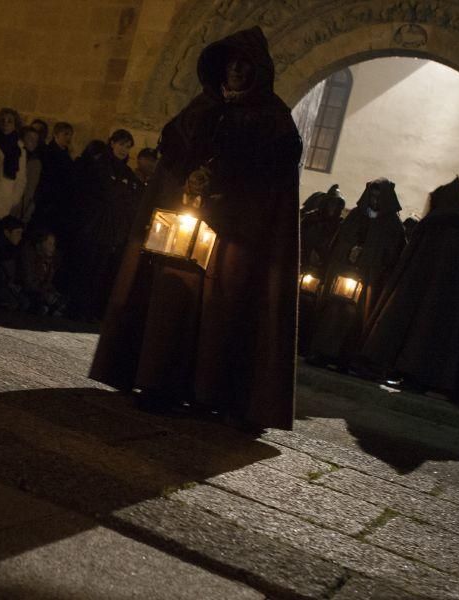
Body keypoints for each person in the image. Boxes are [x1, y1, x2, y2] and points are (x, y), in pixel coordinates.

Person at [90, 27, 303, 433]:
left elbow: (272, 175)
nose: (237, 70)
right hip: (187, 224)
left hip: (235, 233)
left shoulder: (273, 118)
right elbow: (172, 152)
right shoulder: (199, 108)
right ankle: (157, 383)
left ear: (257, 69)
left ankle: (213, 394)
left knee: (222, 307)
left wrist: (224, 181)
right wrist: (190, 176)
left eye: (245, 64)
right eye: (231, 62)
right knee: (173, 302)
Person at [359, 177, 459, 399]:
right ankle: (417, 377)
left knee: (416, 331)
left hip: (418, 291)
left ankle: (410, 373)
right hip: (447, 299)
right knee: (430, 335)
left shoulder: (434, 224)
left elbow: (413, 259)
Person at [308, 178, 405, 370]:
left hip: (369, 280)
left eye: (379, 197)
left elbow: (393, 254)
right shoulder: (356, 216)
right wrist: (348, 253)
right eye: (373, 196)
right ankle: (323, 352)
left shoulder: (392, 224)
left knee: (357, 318)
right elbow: (340, 241)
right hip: (342, 275)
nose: (375, 201)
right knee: (333, 313)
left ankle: (346, 357)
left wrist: (370, 261)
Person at [73, 129, 142, 320]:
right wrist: (122, 191)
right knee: (88, 268)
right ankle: (78, 309)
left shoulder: (126, 172)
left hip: (112, 231)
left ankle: (91, 310)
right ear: (112, 143)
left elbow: (133, 199)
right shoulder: (100, 165)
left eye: (128, 146)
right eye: (121, 144)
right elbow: (109, 193)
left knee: (102, 272)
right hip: (95, 226)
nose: (124, 149)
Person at [298, 185, 345, 355]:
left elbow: (337, 248)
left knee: (314, 309)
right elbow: (300, 238)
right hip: (303, 267)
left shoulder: (339, 226)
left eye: (336, 205)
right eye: (330, 204)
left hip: (322, 273)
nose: (332, 209)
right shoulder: (310, 219)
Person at [32, 121, 74, 235]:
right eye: (65, 134)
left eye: (70, 134)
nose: (68, 138)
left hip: (57, 200)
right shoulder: (49, 152)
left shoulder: (65, 154)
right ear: (56, 134)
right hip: (47, 198)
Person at [19, 229, 68, 316]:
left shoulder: (48, 260)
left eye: (53, 244)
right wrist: (46, 294)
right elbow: (29, 282)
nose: (52, 247)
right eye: (49, 244)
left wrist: (53, 292)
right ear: (40, 244)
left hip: (40, 291)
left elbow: (46, 281)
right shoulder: (29, 257)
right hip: (27, 291)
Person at [16, 125, 42, 223]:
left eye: (36, 140)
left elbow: (32, 188)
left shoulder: (36, 162)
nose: (33, 142)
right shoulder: (15, 156)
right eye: (30, 138)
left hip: (23, 207)